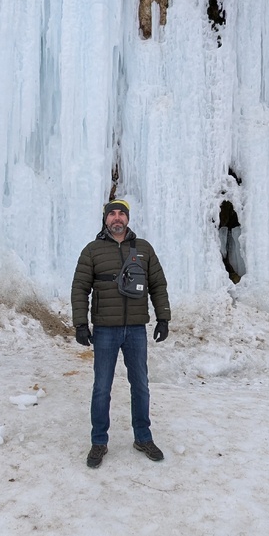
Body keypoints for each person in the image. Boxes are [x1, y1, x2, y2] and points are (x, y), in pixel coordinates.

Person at [71, 199, 171, 469]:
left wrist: (163, 317)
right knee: (102, 387)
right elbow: (80, 287)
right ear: (105, 219)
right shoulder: (92, 250)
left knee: (141, 385)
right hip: (105, 329)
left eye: (121, 214)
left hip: (136, 329)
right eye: (112, 214)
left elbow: (158, 284)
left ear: (127, 218)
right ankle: (99, 441)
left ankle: (143, 437)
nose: (117, 218)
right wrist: (81, 323)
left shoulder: (144, 249)